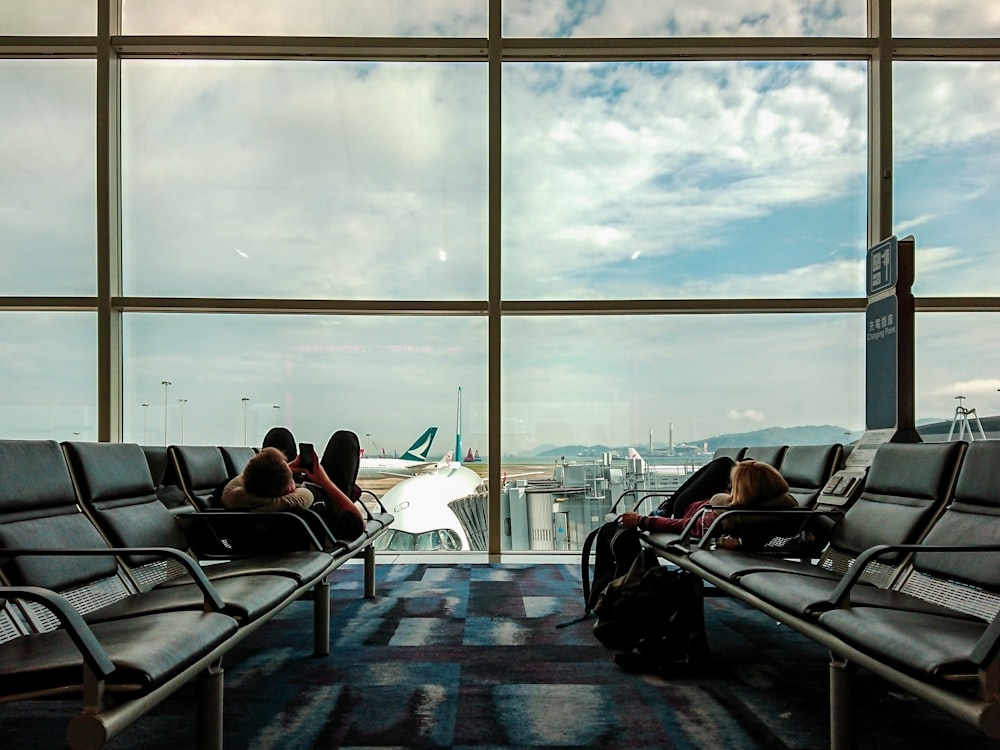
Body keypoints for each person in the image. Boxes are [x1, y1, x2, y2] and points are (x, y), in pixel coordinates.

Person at [222, 429, 365, 542]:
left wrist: (281, 469)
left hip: (270, 503)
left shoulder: (231, 501)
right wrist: (324, 482)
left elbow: (234, 484)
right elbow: (358, 524)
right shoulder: (315, 510)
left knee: (278, 435)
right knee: (345, 438)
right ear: (290, 489)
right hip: (327, 496)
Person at [620, 459, 796, 546]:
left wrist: (642, 520)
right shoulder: (781, 508)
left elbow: (682, 525)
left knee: (724, 464)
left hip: (685, 507)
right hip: (711, 503)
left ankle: (667, 507)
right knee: (742, 464)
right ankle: (667, 506)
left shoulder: (719, 517)